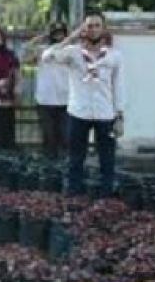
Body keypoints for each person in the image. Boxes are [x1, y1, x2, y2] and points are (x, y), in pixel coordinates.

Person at [42, 12, 125, 197]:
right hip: (78, 112)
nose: (93, 29)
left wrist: (119, 115)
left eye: (97, 25)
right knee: (75, 158)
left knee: (107, 158)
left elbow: (118, 86)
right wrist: (70, 37)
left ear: (103, 29)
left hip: (105, 113)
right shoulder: (73, 52)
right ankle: (74, 195)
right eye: (89, 26)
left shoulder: (114, 56)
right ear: (83, 29)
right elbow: (47, 57)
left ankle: (106, 196)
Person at [22, 21, 70, 157]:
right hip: (45, 100)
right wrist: (41, 37)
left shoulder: (71, 50)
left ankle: (65, 165)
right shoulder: (42, 50)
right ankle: (49, 166)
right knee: (49, 137)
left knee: (66, 137)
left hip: (65, 100)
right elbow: (25, 54)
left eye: (61, 33)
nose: (58, 36)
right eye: (55, 33)